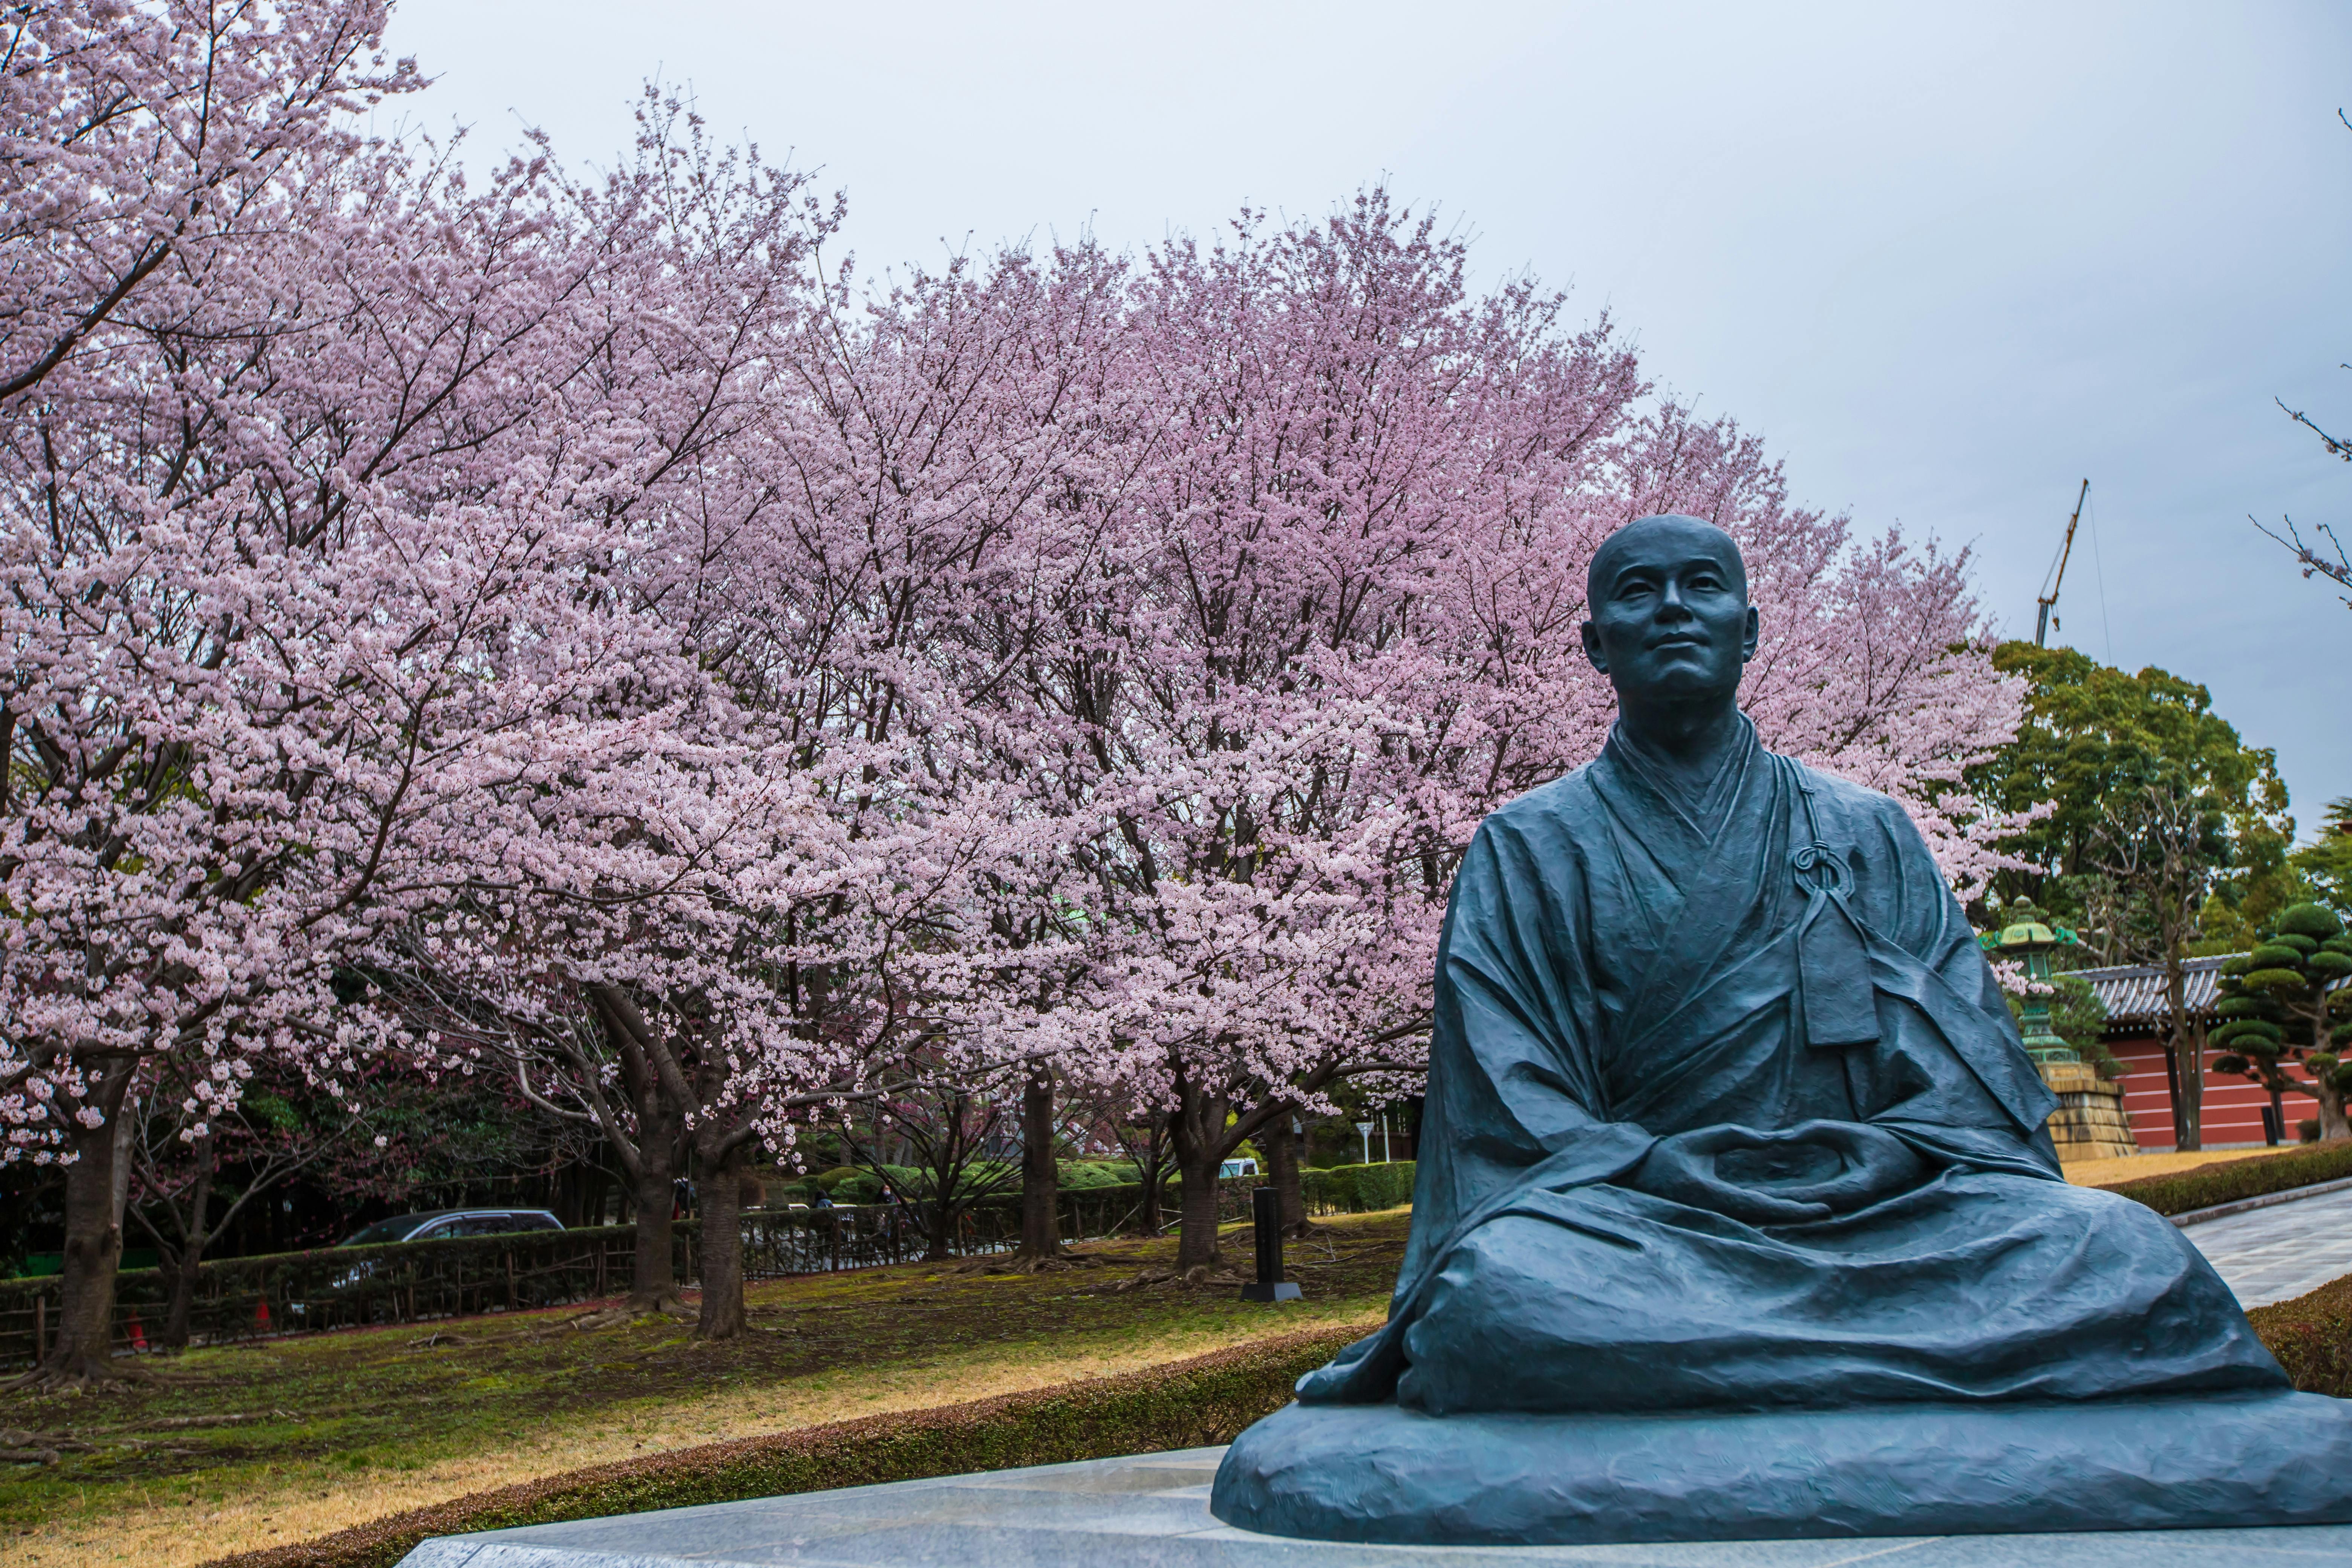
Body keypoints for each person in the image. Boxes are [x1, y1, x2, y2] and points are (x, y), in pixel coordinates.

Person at [1214, 515, 2350, 1544]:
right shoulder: (1530, 847)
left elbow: (1970, 1077)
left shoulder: (1867, 831)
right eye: (1638, 591)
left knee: (2128, 1255)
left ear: (1750, 628)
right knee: (1501, 1294)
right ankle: (1910, 1371)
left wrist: (1899, 1151)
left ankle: (1780, 1369)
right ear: (1592, 644)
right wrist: (1666, 1165)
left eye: (1701, 587)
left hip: (1889, 1217)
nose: (1671, 608)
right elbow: (1512, 1105)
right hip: (1646, 1224)